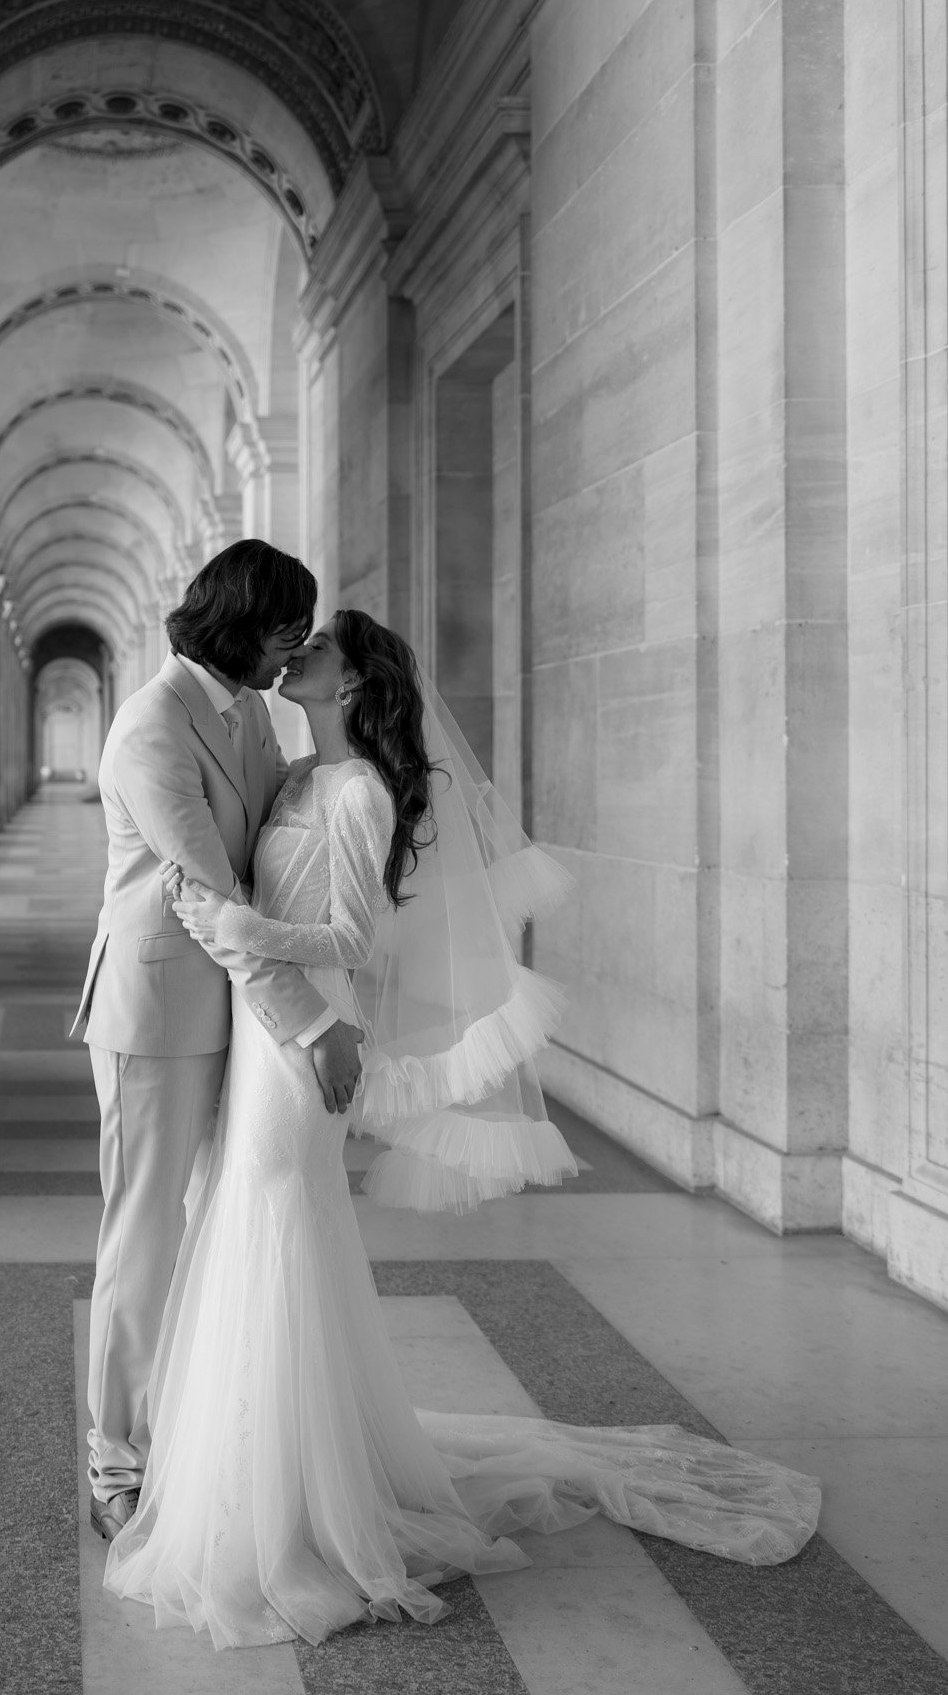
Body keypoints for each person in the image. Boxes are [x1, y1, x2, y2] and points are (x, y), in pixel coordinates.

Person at [103, 609, 822, 1648]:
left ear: (351, 684)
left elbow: (350, 939)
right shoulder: (300, 774)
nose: (294, 653)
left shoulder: (355, 792)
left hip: (305, 1037)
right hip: (264, 1029)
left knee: (272, 1218)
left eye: (319, 650)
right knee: (249, 1218)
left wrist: (240, 928)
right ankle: (268, 1468)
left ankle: (291, 1507)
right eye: (292, 643)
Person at [71, 541, 364, 1543]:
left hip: (236, 1004)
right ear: (241, 620)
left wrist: (328, 714)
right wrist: (315, 1023)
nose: (296, 643)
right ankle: (114, 1452)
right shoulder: (152, 727)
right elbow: (209, 897)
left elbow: (299, 805)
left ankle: (196, 1428)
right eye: (289, 624)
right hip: (157, 1013)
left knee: (220, 1217)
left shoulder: (242, 708)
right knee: (145, 1232)